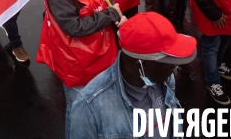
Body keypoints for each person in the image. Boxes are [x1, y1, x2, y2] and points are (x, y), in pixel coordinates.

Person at [36, 0, 126, 138]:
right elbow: (73, 27)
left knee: (104, 102)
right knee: (78, 110)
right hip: (77, 62)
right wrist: (108, 16)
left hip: (103, 52)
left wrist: (114, 11)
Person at [69, 13, 197, 138]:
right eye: (168, 61)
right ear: (141, 65)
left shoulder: (166, 79)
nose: (174, 67)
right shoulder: (89, 107)